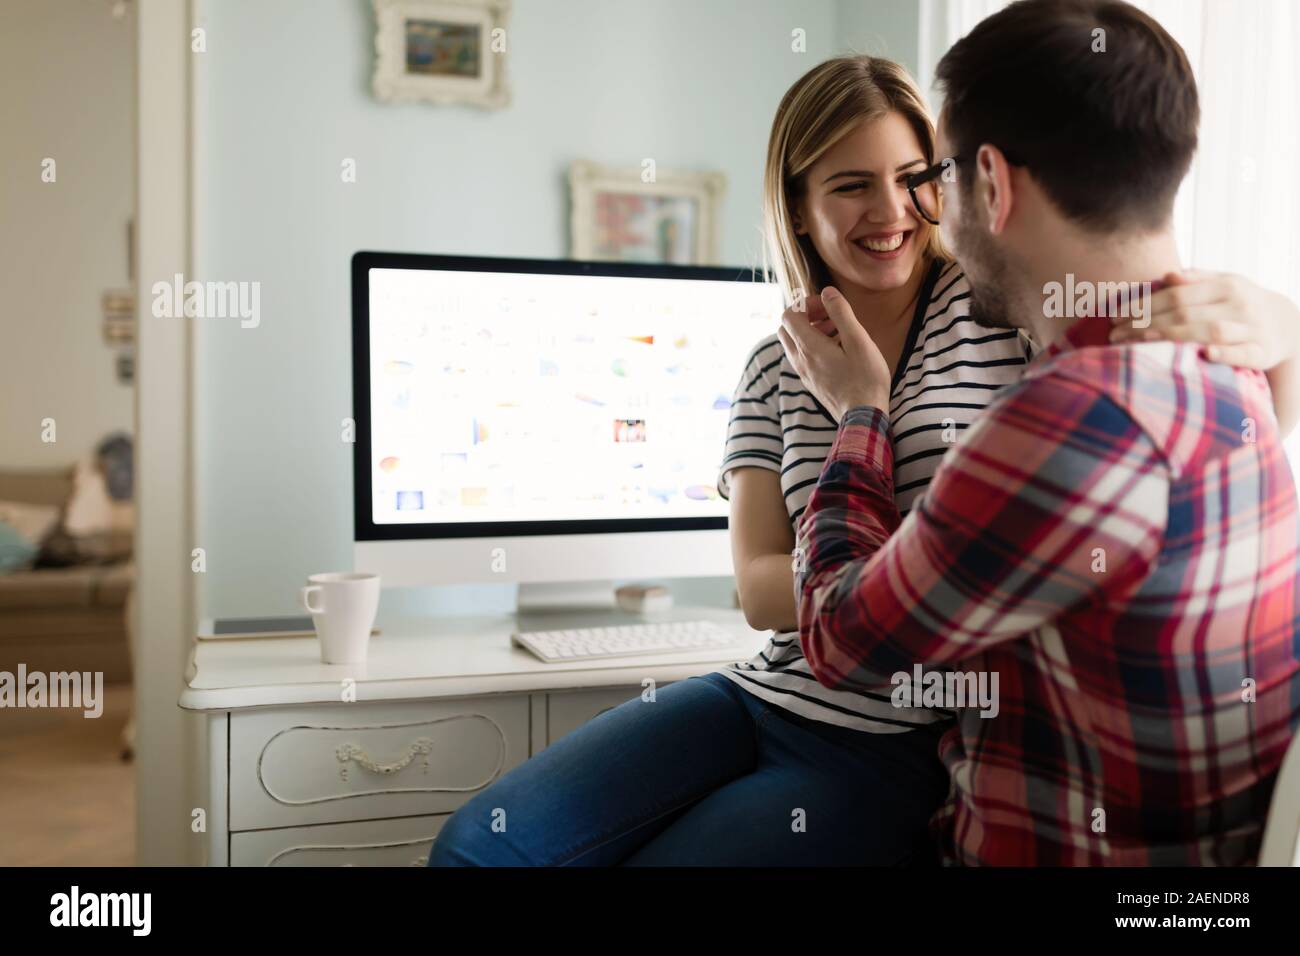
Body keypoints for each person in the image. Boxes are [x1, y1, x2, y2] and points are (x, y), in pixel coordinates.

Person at [428, 44, 1300, 865]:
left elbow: (1219, 413)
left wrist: (1281, 320)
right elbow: (759, 590)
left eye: (914, 179)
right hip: (765, 693)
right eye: (851, 187)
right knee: (480, 845)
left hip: (903, 737)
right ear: (799, 209)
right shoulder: (776, 360)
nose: (890, 213)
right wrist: (906, 557)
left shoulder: (1008, 317)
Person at [784, 0, 1300, 865]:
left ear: (992, 181)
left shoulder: (1068, 421)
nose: (926, 211)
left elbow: (839, 639)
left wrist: (861, 417)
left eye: (936, 178)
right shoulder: (1240, 356)